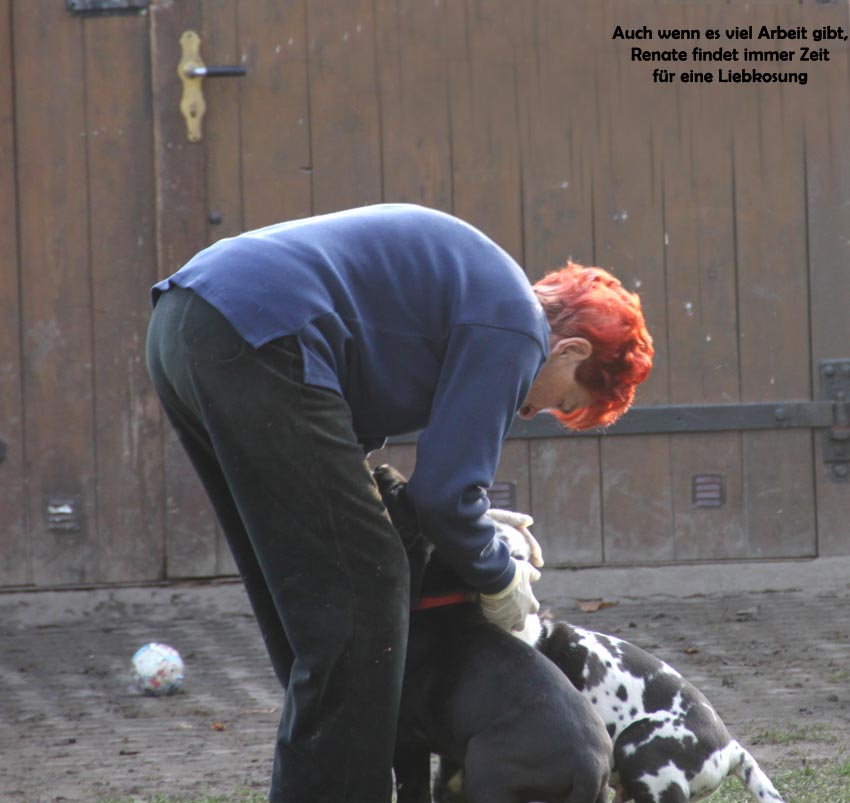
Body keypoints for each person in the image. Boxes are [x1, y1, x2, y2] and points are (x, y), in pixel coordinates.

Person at [145, 203, 653, 803]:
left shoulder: (479, 297)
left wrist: (464, 520)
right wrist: (500, 576)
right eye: (563, 402)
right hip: (258, 334)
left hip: (188, 322)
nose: (533, 411)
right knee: (369, 590)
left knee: (316, 603)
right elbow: (444, 496)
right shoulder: (517, 329)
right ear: (571, 352)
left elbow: (361, 458)